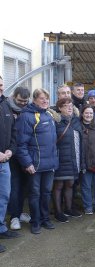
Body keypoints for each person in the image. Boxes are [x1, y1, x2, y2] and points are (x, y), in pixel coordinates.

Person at [16, 88, 59, 234]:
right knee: (35, 195)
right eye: (42, 98)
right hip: (35, 165)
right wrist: (27, 163)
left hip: (49, 165)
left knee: (46, 193)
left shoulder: (48, 114)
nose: (45, 101)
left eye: (47, 99)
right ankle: (36, 221)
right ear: (34, 100)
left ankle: (45, 219)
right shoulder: (27, 116)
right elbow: (20, 144)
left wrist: (55, 161)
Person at [52, 98, 83, 223]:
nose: (69, 108)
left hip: (74, 158)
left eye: (70, 105)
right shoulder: (56, 121)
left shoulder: (76, 121)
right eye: (65, 106)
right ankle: (58, 212)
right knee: (59, 185)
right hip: (60, 159)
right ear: (59, 108)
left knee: (70, 184)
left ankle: (69, 209)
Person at [6, 87, 31, 231]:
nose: (22, 103)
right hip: (12, 155)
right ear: (14, 97)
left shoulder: (27, 110)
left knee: (23, 187)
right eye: (20, 101)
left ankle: (20, 212)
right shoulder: (7, 108)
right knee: (14, 187)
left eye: (25, 101)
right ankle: (14, 216)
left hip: (26, 154)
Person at [0, 76, 19, 253]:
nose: (0, 87)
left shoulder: (5, 105)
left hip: (5, 160)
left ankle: (1, 228)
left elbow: (13, 131)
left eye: (1, 84)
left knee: (4, 196)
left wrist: (11, 150)